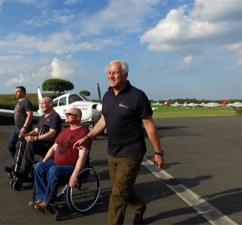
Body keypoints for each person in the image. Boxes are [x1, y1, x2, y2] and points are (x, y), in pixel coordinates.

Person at [74, 60, 165, 225]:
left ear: (125, 75)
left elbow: (149, 124)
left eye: (114, 73)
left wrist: (158, 152)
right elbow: (104, 120)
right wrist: (89, 136)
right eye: (109, 73)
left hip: (132, 152)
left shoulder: (137, 96)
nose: (110, 76)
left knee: (117, 196)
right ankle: (139, 207)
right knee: (122, 189)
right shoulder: (108, 96)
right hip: (113, 152)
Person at [29, 107, 91, 211]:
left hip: (72, 166)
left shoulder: (83, 132)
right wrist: (43, 162)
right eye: (66, 113)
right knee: (38, 166)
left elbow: (82, 156)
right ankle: (41, 197)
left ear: (78, 117)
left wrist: (75, 175)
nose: (67, 115)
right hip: (57, 163)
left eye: (70, 114)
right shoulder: (65, 131)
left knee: (54, 170)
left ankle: (48, 201)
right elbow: (53, 148)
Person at [14, 96, 62, 179]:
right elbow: (36, 130)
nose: (41, 106)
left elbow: (52, 134)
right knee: (22, 141)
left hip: (50, 145)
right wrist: (27, 135)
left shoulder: (55, 117)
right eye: (40, 104)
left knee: (31, 144)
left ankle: (25, 170)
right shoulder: (43, 116)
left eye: (43, 103)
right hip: (42, 143)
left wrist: (35, 138)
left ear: (50, 104)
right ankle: (16, 166)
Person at [4, 86, 33, 171]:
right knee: (10, 146)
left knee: (21, 150)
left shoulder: (26, 102)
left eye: (18, 91)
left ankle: (20, 167)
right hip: (16, 129)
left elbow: (30, 115)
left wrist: (24, 127)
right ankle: (17, 164)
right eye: (15, 91)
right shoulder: (18, 103)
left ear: (23, 92)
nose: (15, 93)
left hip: (24, 130)